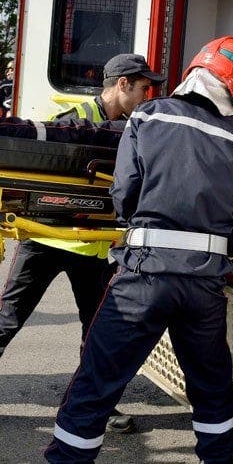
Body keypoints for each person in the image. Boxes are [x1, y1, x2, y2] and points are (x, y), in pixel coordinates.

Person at [44, 36, 233, 464]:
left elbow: (124, 193)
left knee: (98, 380)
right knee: (211, 387)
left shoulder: (148, 116)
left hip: (144, 274)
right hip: (204, 288)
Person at [0, 54, 165, 433]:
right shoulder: (69, 121)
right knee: (6, 321)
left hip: (92, 250)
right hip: (45, 239)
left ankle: (92, 408)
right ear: (122, 84)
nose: (147, 95)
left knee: (97, 334)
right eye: (143, 87)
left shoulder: (132, 131)